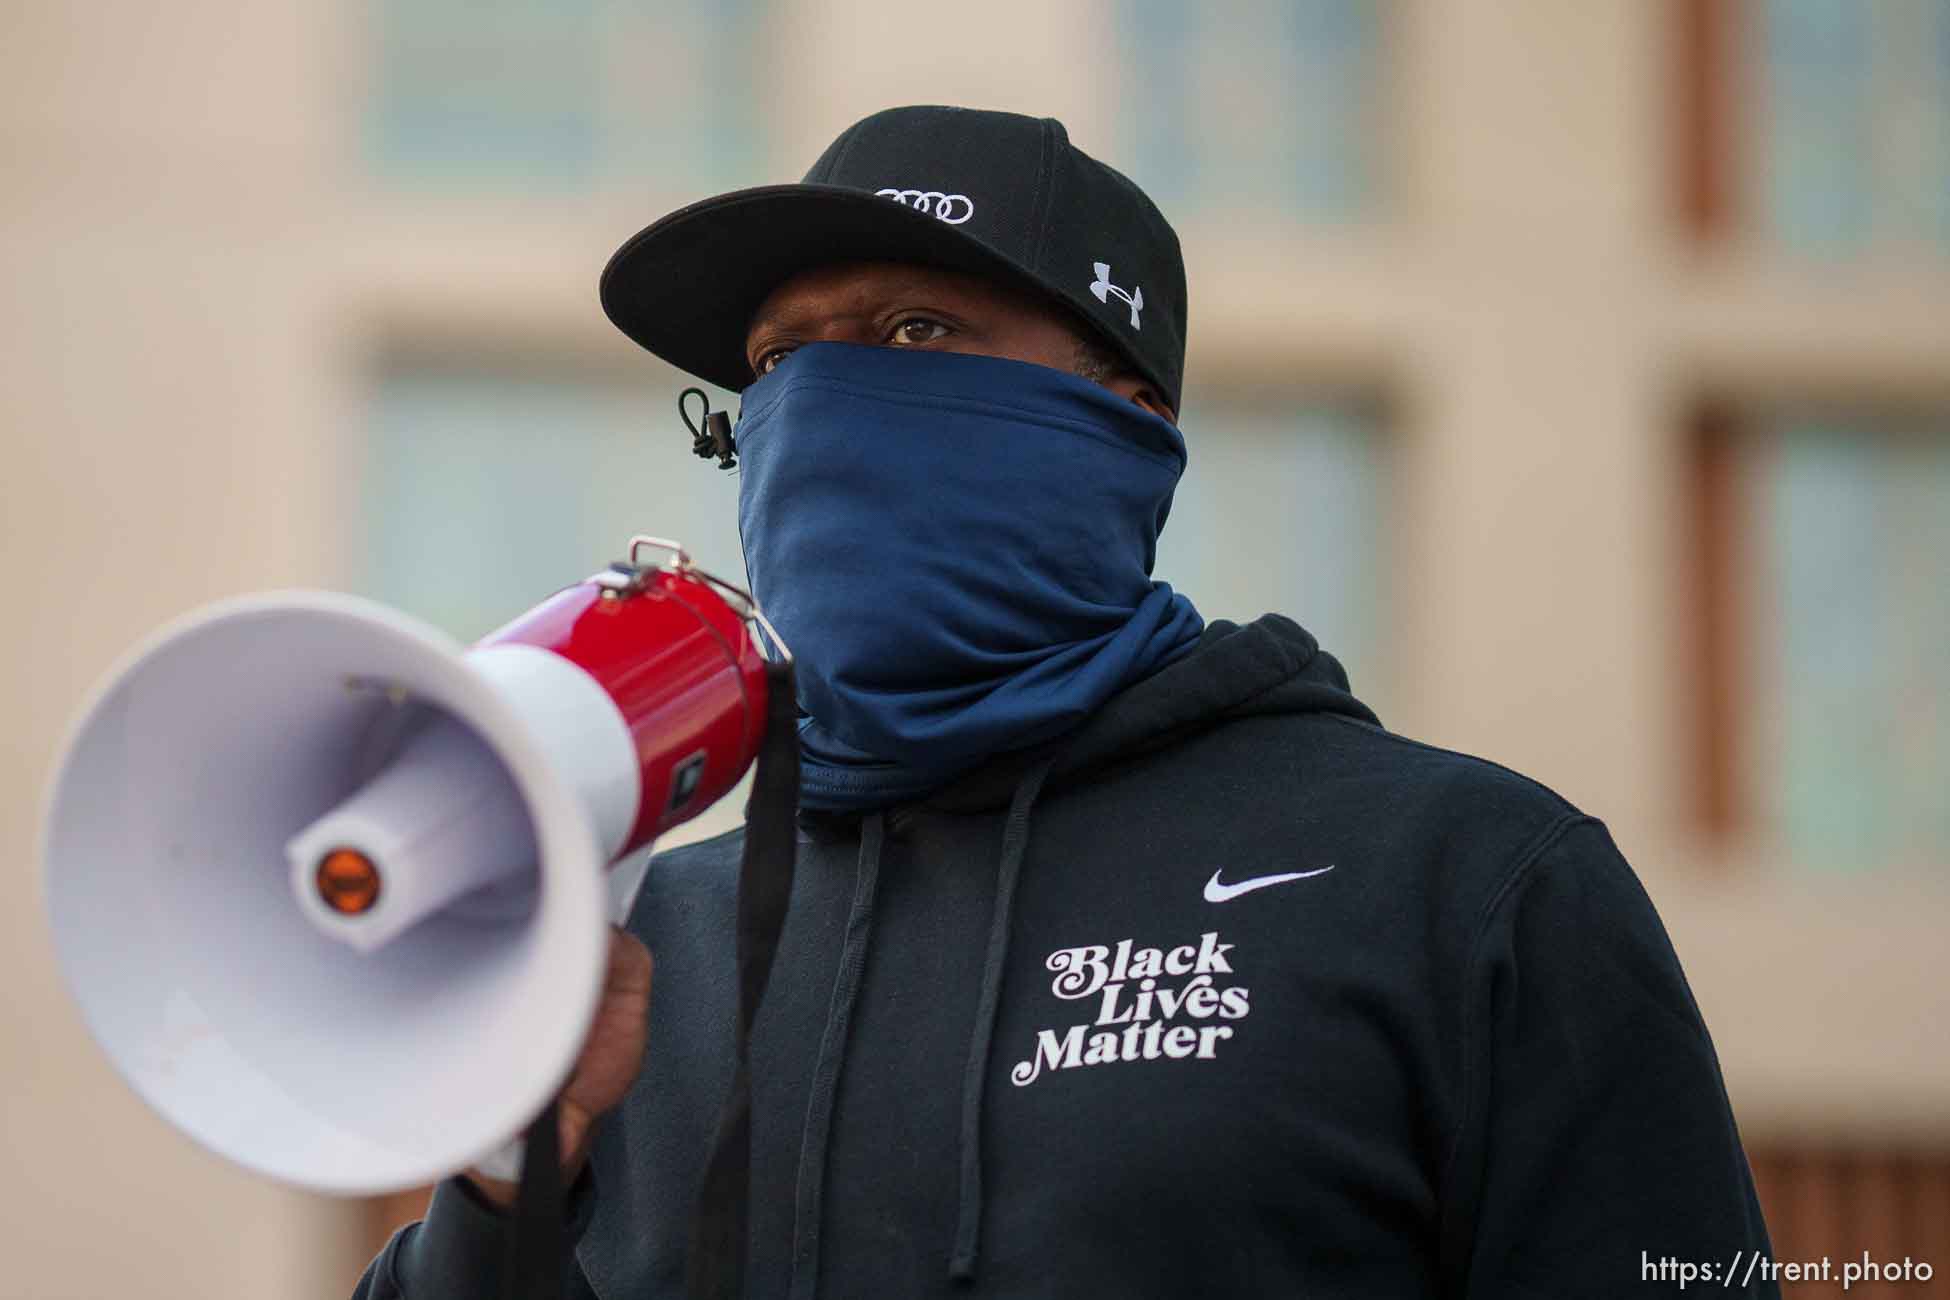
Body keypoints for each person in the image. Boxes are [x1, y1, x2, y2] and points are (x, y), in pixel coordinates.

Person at [353, 105, 1777, 1298]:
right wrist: (509, 1173)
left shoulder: (1456, 881)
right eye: (783, 362)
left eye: (918, 332)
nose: (832, 400)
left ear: (1126, 420)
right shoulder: (641, 947)